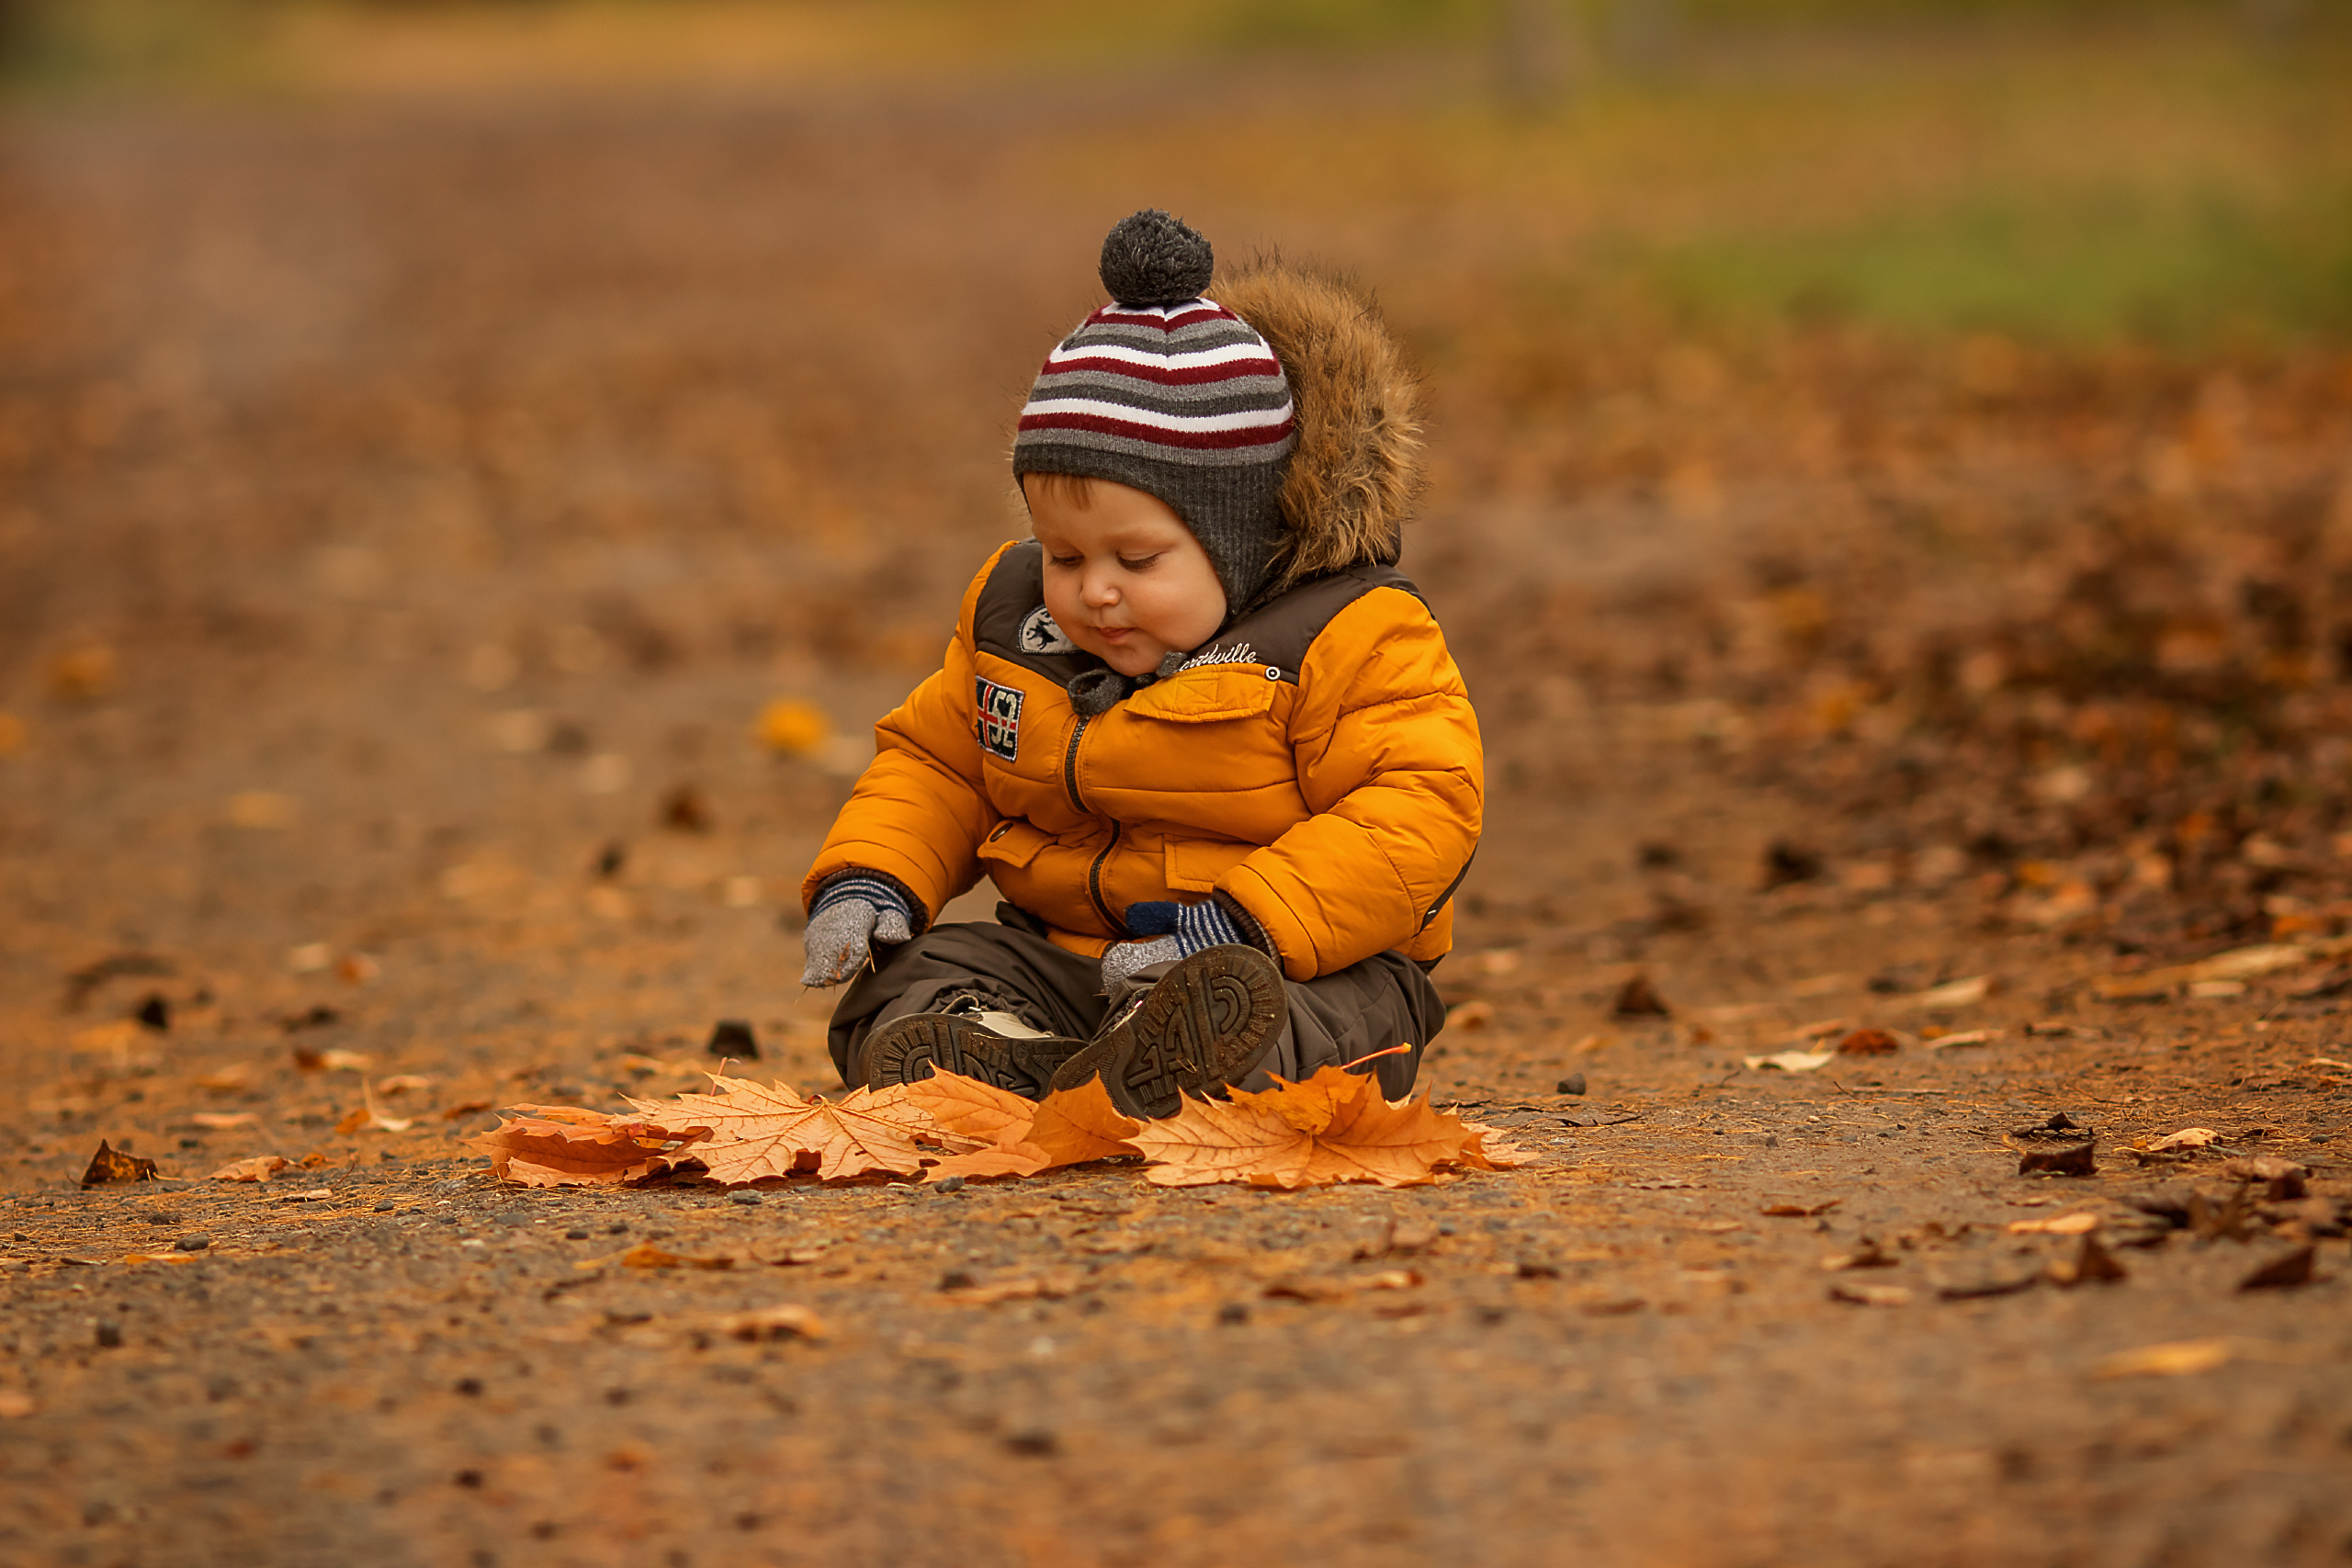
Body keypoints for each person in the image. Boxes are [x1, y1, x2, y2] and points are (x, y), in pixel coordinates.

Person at [797, 209, 1482, 1120]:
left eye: (1137, 559)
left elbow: (1419, 805)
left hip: (1289, 956)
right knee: (915, 975)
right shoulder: (1014, 624)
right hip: (1065, 957)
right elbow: (938, 766)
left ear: (1239, 540)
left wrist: (1245, 920)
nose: (1094, 592)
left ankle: (1190, 1051)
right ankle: (1003, 1047)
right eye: (1064, 555)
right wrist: (872, 876)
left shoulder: (1350, 635)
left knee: (1311, 1021)